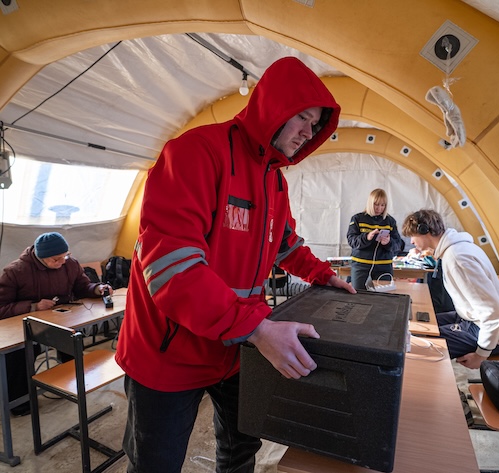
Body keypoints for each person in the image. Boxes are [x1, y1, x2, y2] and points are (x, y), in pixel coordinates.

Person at [115, 57, 356, 473]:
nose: (308, 132)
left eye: (315, 124)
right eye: (302, 117)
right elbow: (173, 268)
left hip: (235, 350)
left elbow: (285, 243)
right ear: (274, 107)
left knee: (241, 451)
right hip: (169, 352)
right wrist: (258, 328)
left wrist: (323, 274)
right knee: (156, 463)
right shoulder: (195, 153)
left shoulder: (275, 180)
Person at [0, 232, 113, 416]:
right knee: (20, 355)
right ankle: (20, 404)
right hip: (24, 327)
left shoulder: (70, 264)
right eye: (56, 259)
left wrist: (97, 288)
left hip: (61, 320)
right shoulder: (15, 271)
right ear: (41, 257)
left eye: (65, 256)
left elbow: (82, 286)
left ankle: (70, 386)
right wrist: (33, 306)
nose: (62, 262)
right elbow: (2, 307)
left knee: (72, 343)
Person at [401, 209, 499, 369]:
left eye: (412, 236)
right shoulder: (458, 249)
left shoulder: (457, 258)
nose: (412, 242)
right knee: (417, 326)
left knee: (417, 346)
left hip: (494, 333)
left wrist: (481, 355)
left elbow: (493, 313)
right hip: (472, 319)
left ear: (424, 231)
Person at [346, 188, 403, 290]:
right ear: (370, 203)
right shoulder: (357, 218)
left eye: (382, 205)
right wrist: (367, 237)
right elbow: (351, 240)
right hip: (360, 265)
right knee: (358, 294)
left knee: (383, 296)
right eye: (376, 204)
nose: (379, 208)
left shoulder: (390, 221)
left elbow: (398, 244)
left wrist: (388, 242)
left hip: (384, 266)